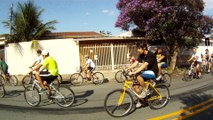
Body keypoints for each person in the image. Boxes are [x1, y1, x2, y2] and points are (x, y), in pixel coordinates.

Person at [126, 43, 158, 108]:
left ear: (144, 48)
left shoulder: (150, 54)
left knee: (138, 75)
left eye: (139, 48)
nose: (138, 50)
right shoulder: (142, 55)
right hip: (146, 72)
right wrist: (128, 68)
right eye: (137, 48)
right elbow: (136, 63)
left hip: (153, 72)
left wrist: (134, 72)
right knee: (135, 87)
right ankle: (143, 101)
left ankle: (145, 90)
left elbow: (144, 65)